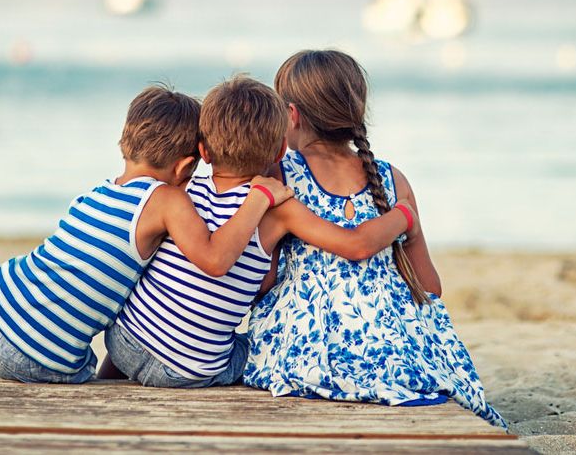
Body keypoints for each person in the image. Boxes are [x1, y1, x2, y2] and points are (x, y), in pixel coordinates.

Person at [0, 84, 292, 383]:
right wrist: (259, 197)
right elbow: (214, 259)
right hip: (39, 353)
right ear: (184, 167)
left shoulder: (95, 193)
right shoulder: (167, 201)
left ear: (125, 142)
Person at [244, 50, 506, 429]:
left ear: (292, 115)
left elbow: (263, 281)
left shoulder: (279, 177)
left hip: (308, 345)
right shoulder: (391, 178)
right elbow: (429, 288)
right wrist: (406, 225)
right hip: (397, 343)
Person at [101, 75, 416, 388]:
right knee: (253, 348)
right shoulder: (276, 208)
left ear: (203, 152)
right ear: (280, 152)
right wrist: (403, 215)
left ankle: (105, 382)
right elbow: (355, 245)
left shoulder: (179, 191)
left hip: (124, 345)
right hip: (188, 372)